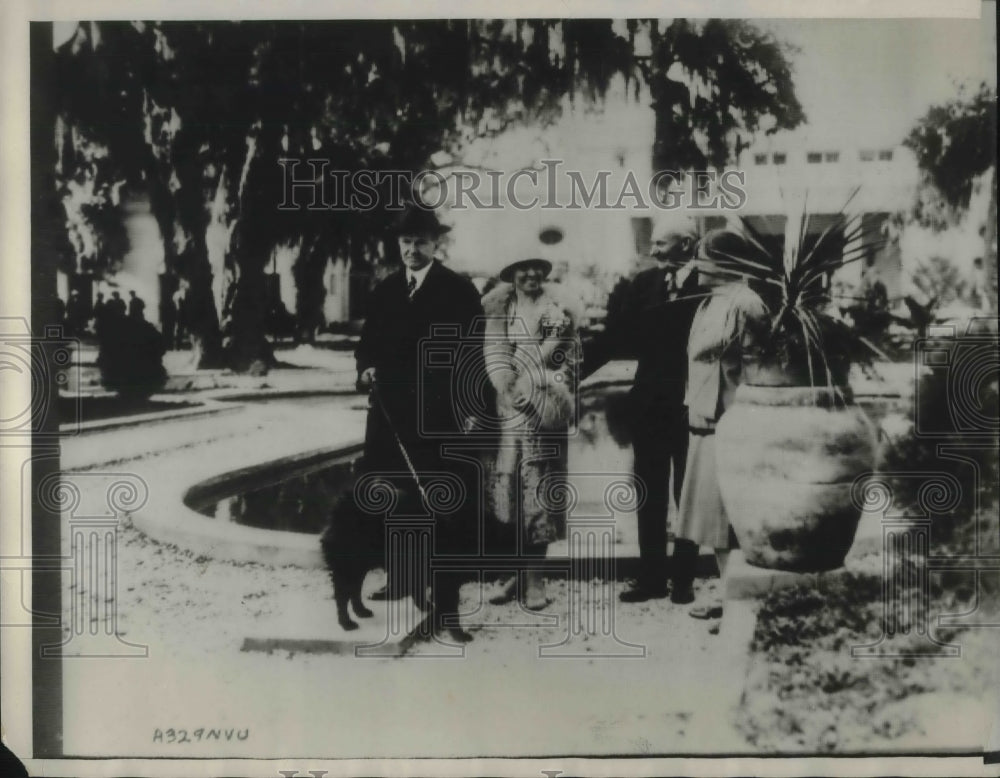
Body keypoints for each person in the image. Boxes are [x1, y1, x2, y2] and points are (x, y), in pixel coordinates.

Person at [354, 202, 486, 642]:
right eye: (406, 242)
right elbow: (367, 343)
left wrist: (471, 408)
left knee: (446, 508)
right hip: (390, 418)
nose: (412, 249)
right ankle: (405, 577)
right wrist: (366, 367)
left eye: (421, 241)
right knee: (394, 498)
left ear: (436, 244)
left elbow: (473, 355)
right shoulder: (385, 289)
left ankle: (448, 609)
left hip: (439, 417)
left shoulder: (458, 290)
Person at [582, 214, 704, 604]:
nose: (652, 250)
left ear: (687, 244)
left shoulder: (712, 287)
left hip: (693, 406)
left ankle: (683, 579)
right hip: (649, 406)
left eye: (660, 244)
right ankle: (650, 578)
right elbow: (614, 337)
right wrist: (571, 373)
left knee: (688, 493)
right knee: (648, 493)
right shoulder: (643, 284)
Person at [675, 229, 768, 625]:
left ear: (727, 262)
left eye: (705, 256)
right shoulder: (712, 301)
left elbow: (759, 366)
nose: (697, 263)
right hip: (703, 422)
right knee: (712, 520)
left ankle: (740, 603)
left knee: (730, 519)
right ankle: (731, 594)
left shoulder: (746, 303)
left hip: (730, 424)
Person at [481, 257, 581, 610]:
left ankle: (535, 581)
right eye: (522, 269)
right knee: (509, 494)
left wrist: (534, 386)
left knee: (538, 493)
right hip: (509, 409)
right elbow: (494, 353)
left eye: (537, 268)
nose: (531, 275)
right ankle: (517, 576)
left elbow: (559, 358)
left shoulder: (557, 309)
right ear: (510, 274)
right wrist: (506, 386)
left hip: (542, 408)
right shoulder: (500, 307)